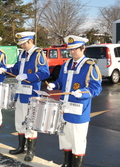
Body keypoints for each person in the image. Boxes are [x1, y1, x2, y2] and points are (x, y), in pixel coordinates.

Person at [47, 35, 102, 167]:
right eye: (70, 49)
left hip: (79, 110)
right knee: (65, 138)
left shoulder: (90, 66)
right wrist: (55, 85)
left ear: (83, 48)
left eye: (74, 49)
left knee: (77, 141)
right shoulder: (66, 64)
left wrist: (82, 93)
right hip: (64, 108)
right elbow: (61, 82)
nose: (71, 52)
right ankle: (67, 163)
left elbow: (96, 88)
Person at [0, 31, 50, 161]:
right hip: (20, 93)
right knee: (20, 121)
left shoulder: (38, 54)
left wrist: (28, 76)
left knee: (31, 123)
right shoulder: (22, 54)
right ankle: (21, 147)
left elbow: (45, 73)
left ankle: (30, 151)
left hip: (32, 94)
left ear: (30, 41)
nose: (22, 46)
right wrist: (5, 70)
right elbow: (16, 70)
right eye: (21, 44)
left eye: (23, 43)